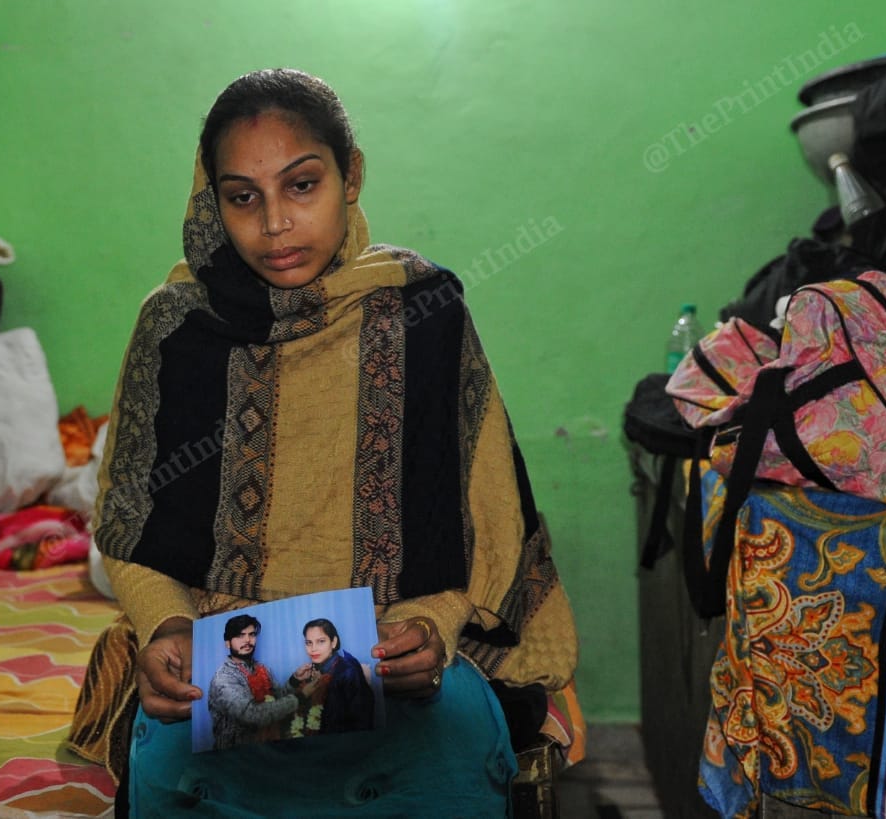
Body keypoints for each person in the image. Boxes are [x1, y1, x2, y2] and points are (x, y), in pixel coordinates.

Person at [68, 68, 579, 817]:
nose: (274, 224)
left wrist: (431, 630)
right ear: (213, 201)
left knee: (444, 762)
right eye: (243, 197)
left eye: (301, 185)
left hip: (397, 672)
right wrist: (168, 626)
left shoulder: (421, 311)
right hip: (223, 671)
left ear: (352, 175)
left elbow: (472, 522)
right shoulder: (175, 329)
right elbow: (132, 525)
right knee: (180, 766)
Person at [207, 614, 298, 748]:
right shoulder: (224, 678)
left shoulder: (262, 668)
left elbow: (279, 698)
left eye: (252, 634)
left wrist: (295, 679)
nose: (247, 640)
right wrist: (300, 698)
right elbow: (253, 715)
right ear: (227, 643)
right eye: (240, 635)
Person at [289, 618, 375, 737]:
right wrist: (295, 679)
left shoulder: (347, 671)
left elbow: (362, 720)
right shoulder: (310, 671)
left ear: (333, 642)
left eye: (321, 641)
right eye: (309, 642)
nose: (313, 649)